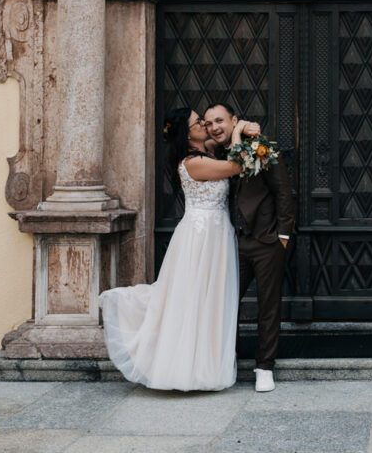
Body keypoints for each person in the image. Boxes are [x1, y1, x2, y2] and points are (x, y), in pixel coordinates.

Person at [98, 106, 250, 391]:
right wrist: (239, 130)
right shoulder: (192, 163)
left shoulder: (206, 153)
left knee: (209, 299)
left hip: (216, 233)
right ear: (188, 133)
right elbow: (236, 166)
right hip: (200, 237)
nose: (206, 125)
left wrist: (243, 127)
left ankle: (206, 366)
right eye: (199, 123)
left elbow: (224, 138)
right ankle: (183, 366)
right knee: (192, 297)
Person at [204, 103, 296, 393]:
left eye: (219, 120)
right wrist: (241, 128)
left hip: (266, 241)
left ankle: (264, 367)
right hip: (233, 242)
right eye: (208, 123)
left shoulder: (261, 148)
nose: (214, 127)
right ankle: (223, 361)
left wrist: (283, 236)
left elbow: (283, 191)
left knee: (268, 306)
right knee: (225, 303)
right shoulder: (216, 151)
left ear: (233, 119)